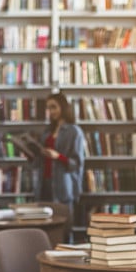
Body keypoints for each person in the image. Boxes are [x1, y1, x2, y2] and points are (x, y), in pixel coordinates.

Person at [32, 93, 85, 221]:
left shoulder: (74, 131)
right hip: (44, 184)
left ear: (63, 107)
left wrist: (58, 156)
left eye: (54, 107)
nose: (50, 111)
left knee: (63, 227)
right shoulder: (47, 131)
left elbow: (77, 163)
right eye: (48, 108)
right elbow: (38, 161)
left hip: (62, 186)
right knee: (44, 224)